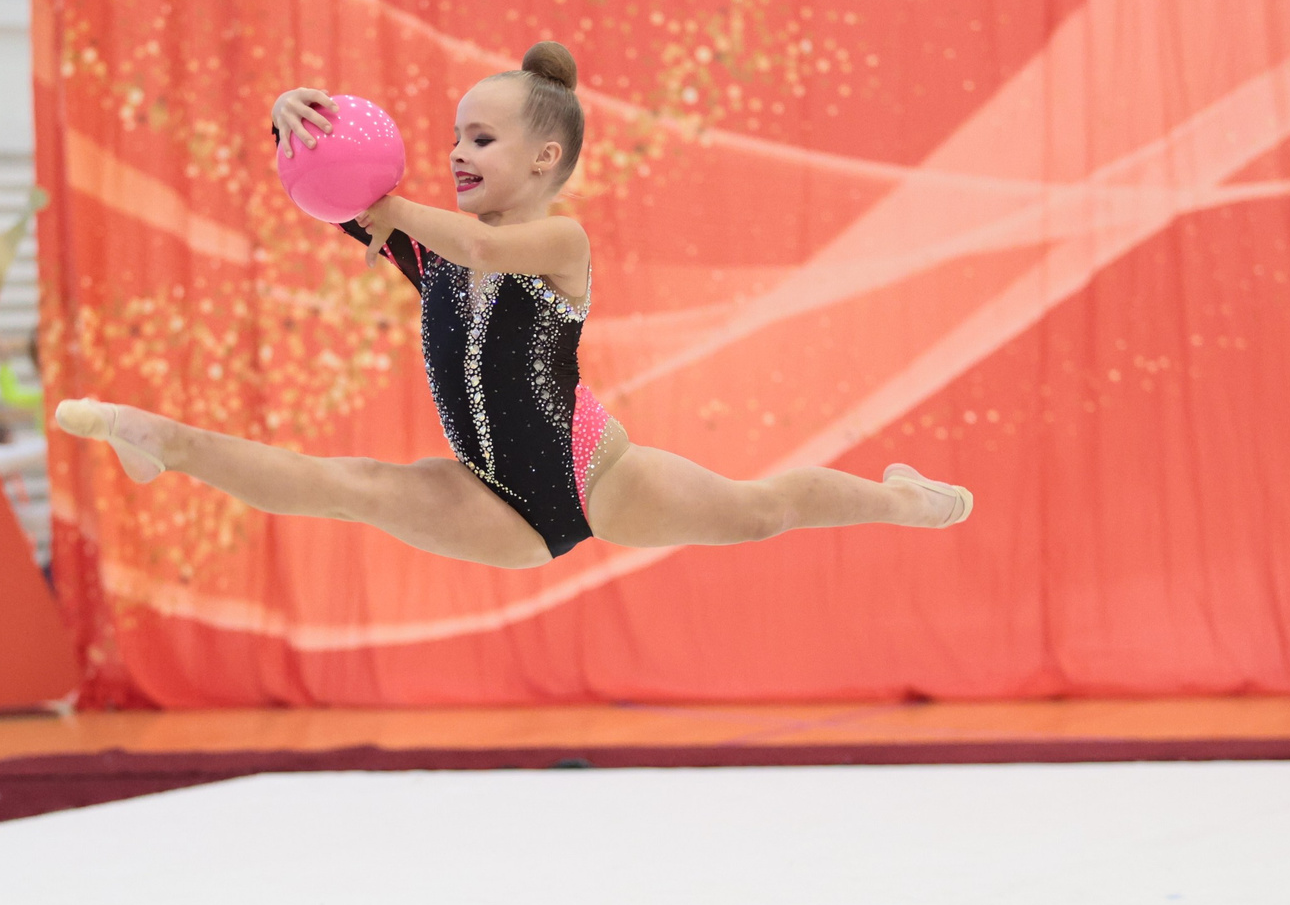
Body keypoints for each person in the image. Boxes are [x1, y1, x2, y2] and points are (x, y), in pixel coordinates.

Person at [55, 42, 972, 570]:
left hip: (597, 477)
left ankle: (902, 500)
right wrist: (296, 125)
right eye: (454, 134)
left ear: (542, 160)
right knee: (351, 487)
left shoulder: (556, 242)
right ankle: (159, 440)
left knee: (759, 510)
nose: (455, 151)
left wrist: (393, 206)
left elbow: (487, 245)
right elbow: (342, 201)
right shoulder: (434, 251)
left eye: (480, 137)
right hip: (491, 497)